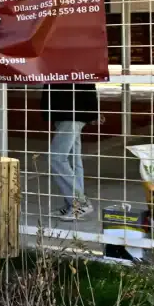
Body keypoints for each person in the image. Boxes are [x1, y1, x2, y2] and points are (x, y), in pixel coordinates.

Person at [40, 83, 99, 220]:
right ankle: (73, 204)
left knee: (56, 158)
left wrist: (93, 112)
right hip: (66, 113)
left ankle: (80, 203)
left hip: (71, 113)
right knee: (73, 160)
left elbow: (87, 83)